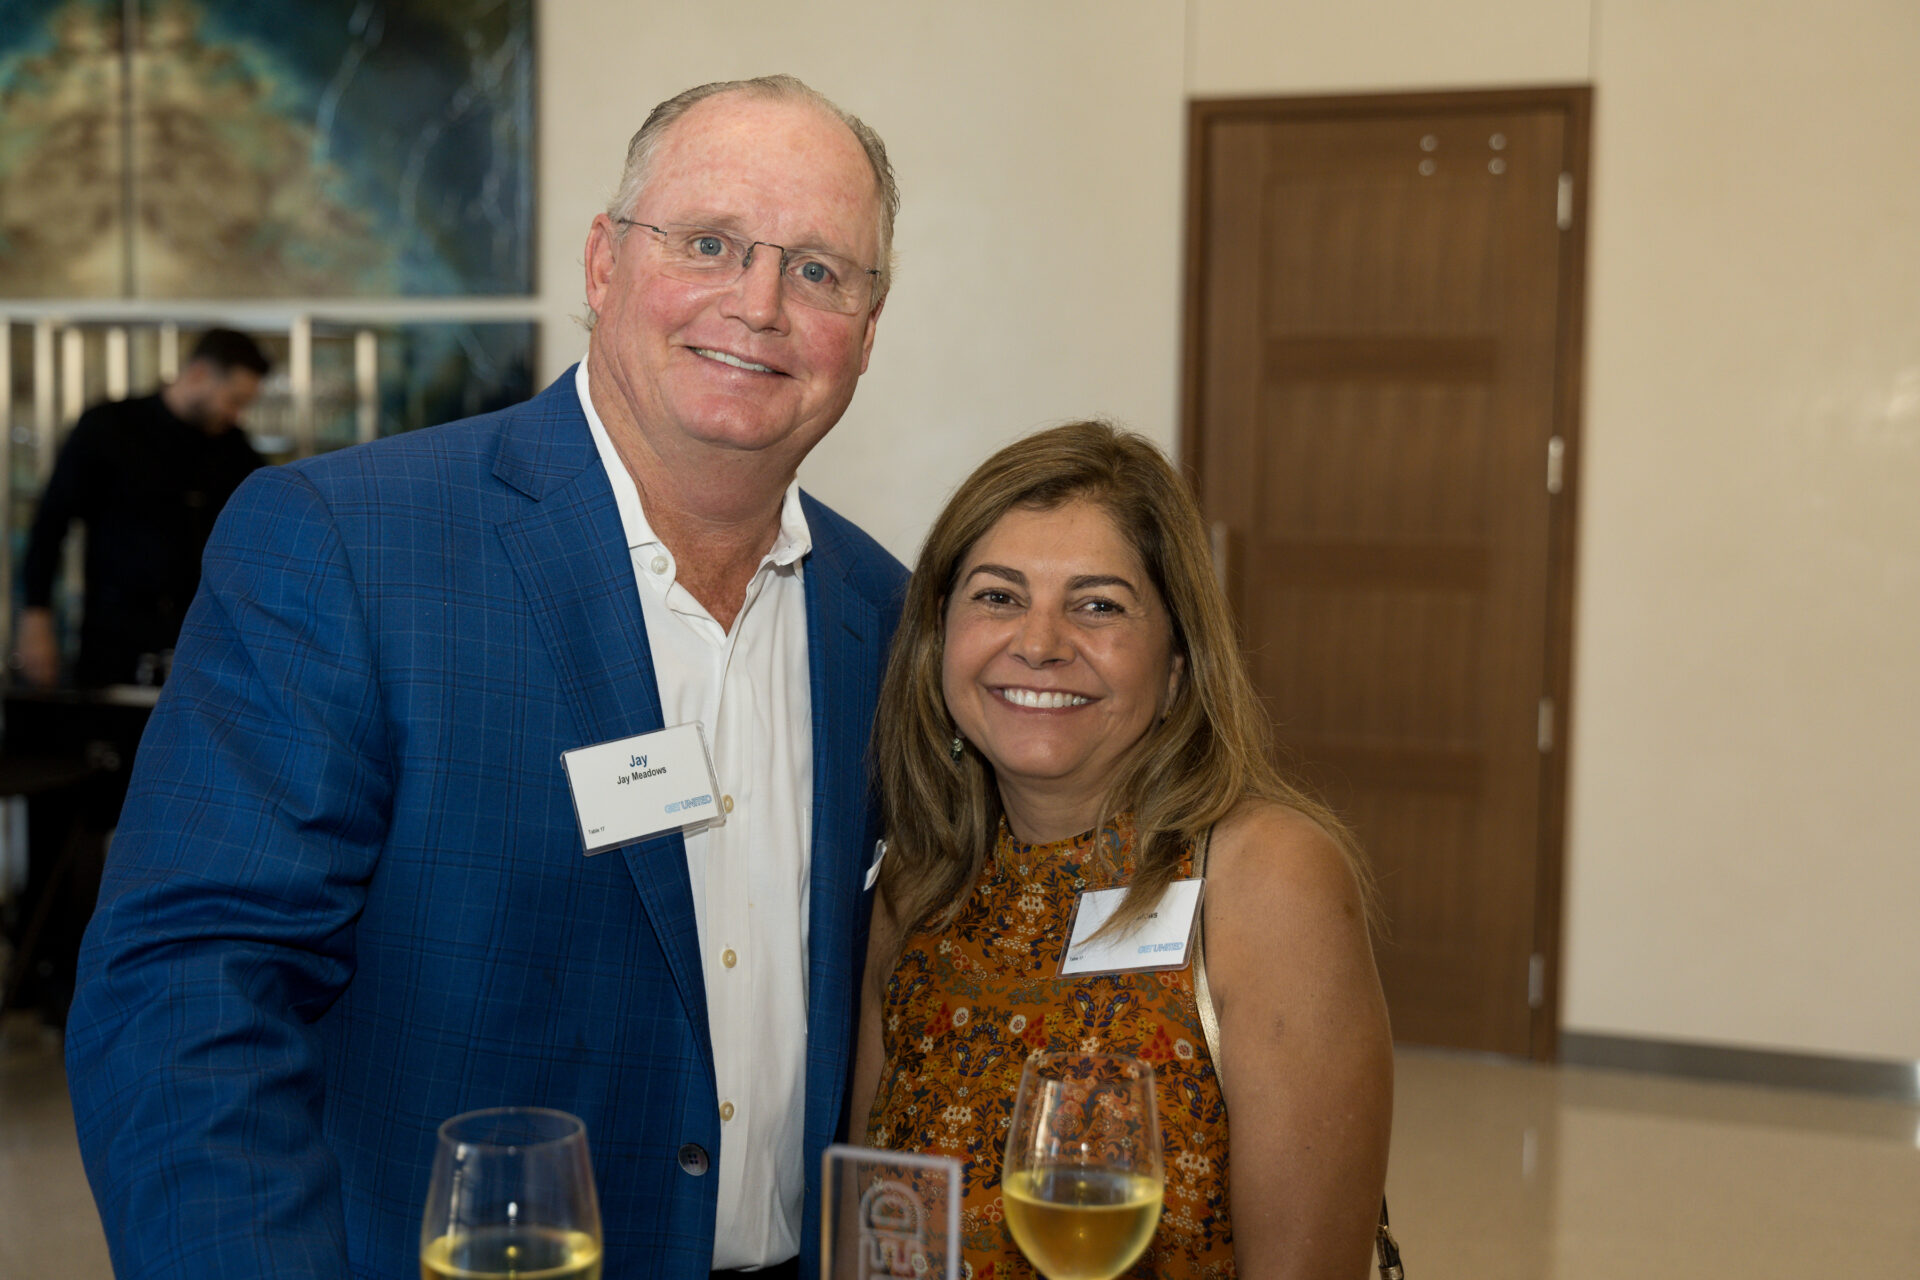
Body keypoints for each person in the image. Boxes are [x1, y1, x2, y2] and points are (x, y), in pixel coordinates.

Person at [66, 75, 906, 1280]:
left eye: (820, 270)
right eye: (710, 243)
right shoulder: (349, 544)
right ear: (604, 264)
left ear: (868, 333)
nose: (759, 303)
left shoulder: (884, 613)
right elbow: (190, 991)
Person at [850, 422, 1394, 1278]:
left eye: (1097, 605)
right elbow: (873, 1241)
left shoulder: (1266, 877)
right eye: (997, 596)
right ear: (938, 639)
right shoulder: (917, 889)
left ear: (1178, 662)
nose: (1038, 643)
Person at [16, 326, 269, 688]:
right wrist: (36, 617)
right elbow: (50, 524)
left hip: (200, 639)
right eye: (233, 400)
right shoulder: (108, 427)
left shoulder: (237, 452)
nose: (236, 415)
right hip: (113, 633)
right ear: (198, 374)